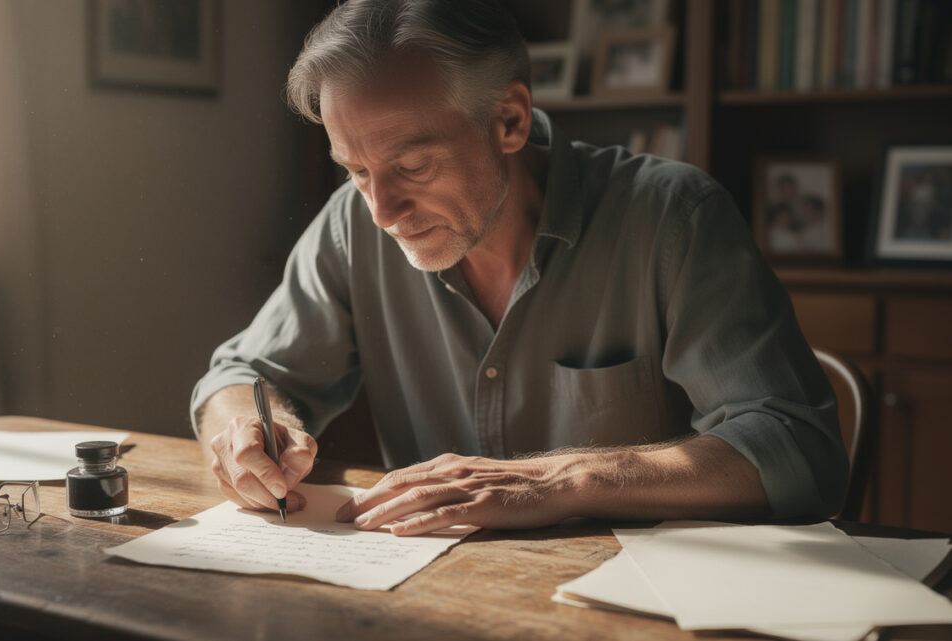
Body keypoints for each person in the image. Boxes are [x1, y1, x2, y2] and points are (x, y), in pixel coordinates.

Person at [190, 0, 848, 536]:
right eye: (357, 171)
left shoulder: (673, 217)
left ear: (508, 118)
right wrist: (246, 428)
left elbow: (796, 446)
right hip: (424, 596)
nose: (383, 210)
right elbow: (242, 375)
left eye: (413, 166)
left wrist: (560, 480)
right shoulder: (351, 223)